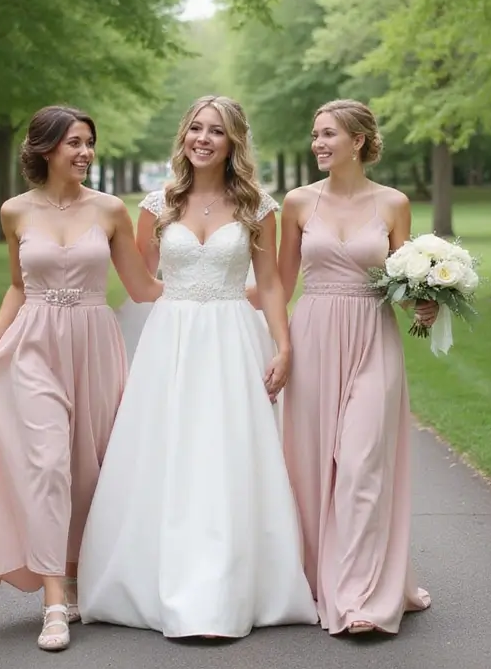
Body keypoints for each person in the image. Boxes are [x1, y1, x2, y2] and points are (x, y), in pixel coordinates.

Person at [77, 95, 317, 639]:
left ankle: (231, 587)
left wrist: (283, 345)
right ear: (184, 136)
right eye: (195, 129)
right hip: (173, 339)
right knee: (168, 449)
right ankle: (154, 582)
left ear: (233, 142)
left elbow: (274, 282)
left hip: (234, 336)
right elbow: (139, 281)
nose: (202, 139)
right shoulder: (157, 204)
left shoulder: (258, 205)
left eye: (215, 131)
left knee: (228, 452)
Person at [0, 105, 161, 652]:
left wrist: (219, 296)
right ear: (45, 149)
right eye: (75, 143)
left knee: (92, 468)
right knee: (46, 465)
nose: (85, 152)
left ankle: (89, 577)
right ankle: (54, 602)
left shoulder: (111, 210)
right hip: (35, 345)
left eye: (90, 142)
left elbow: (142, 289)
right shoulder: (15, 212)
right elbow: (18, 286)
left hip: (95, 344)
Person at [276, 99, 433, 635]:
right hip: (314, 336)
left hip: (373, 337)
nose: (318, 144)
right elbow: (278, 283)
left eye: (328, 135)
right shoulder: (297, 203)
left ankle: (362, 596)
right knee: (313, 466)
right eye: (315, 135)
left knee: (364, 464)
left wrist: (428, 302)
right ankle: (318, 580)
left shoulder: (393, 204)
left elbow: (405, 281)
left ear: (359, 141)